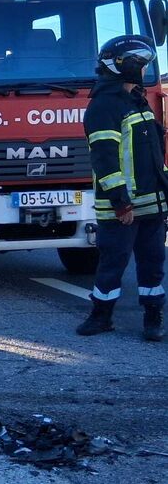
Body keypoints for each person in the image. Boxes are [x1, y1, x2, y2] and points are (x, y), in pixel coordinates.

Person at [77, 35, 167, 341]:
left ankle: (153, 319)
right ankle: (101, 316)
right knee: (112, 263)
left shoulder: (137, 100)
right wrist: (120, 202)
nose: (143, 71)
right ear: (125, 66)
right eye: (140, 65)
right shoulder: (104, 106)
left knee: (153, 263)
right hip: (122, 207)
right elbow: (105, 159)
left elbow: (153, 156)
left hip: (152, 203)